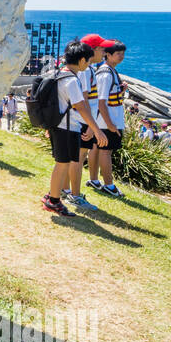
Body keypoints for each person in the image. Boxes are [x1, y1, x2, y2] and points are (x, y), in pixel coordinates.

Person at [42, 40, 107, 217]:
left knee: (62, 163)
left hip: (59, 125)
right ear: (81, 60)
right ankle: (53, 201)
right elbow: (81, 106)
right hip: (67, 127)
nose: (88, 64)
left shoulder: (59, 74)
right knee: (62, 164)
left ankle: (52, 195)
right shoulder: (71, 80)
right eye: (88, 60)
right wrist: (96, 129)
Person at [87, 39, 127, 198]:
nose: (121, 56)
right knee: (105, 151)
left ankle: (94, 180)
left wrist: (120, 91)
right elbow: (101, 101)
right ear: (108, 55)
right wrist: (110, 124)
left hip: (103, 120)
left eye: (122, 53)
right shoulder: (106, 74)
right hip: (107, 121)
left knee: (96, 149)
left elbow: (107, 97)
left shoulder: (109, 72)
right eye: (118, 53)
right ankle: (109, 185)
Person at [74, 34, 108, 200]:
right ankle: (73, 193)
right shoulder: (86, 71)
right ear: (92, 50)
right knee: (78, 158)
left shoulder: (89, 70)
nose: (104, 52)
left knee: (78, 158)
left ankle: (70, 191)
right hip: (82, 121)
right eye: (101, 49)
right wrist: (90, 125)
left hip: (84, 121)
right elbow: (84, 99)